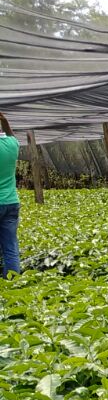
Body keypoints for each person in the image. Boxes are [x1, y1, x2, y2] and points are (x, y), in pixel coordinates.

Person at [0, 112, 19, 277]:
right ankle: (14, 283)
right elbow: (11, 135)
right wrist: (5, 121)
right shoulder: (12, 144)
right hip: (11, 203)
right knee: (10, 247)